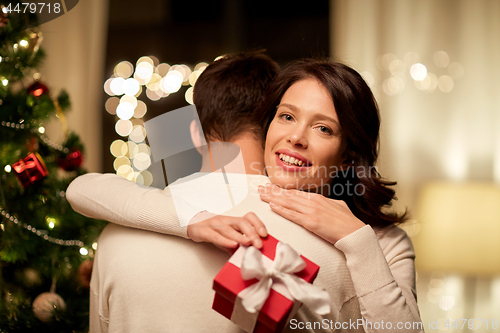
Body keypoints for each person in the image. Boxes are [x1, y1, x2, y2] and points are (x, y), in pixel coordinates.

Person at [68, 56, 423, 332]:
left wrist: (356, 238)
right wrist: (196, 221)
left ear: (348, 152)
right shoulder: (181, 213)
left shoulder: (380, 243)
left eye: (323, 128)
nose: (296, 137)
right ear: (265, 125)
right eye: (286, 117)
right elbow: (86, 189)